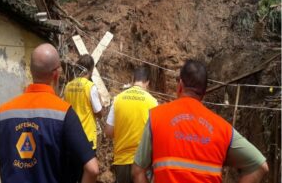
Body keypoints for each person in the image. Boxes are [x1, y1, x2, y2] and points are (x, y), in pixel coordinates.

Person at [132, 59, 269, 183]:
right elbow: (260, 166)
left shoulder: (157, 116)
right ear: (204, 93)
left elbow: (138, 171)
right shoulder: (222, 128)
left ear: (180, 86)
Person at [0, 43, 99, 183]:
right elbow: (92, 169)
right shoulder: (64, 113)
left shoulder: (4, 113)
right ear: (56, 74)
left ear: (31, 72)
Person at [105, 66, 158, 183]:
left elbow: (108, 132)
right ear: (147, 82)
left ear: (132, 79)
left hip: (121, 161)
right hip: (143, 165)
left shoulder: (118, 99)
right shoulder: (153, 102)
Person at [64, 54, 103, 151]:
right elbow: (99, 113)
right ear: (92, 69)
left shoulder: (68, 86)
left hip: (70, 136)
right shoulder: (90, 87)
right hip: (86, 136)